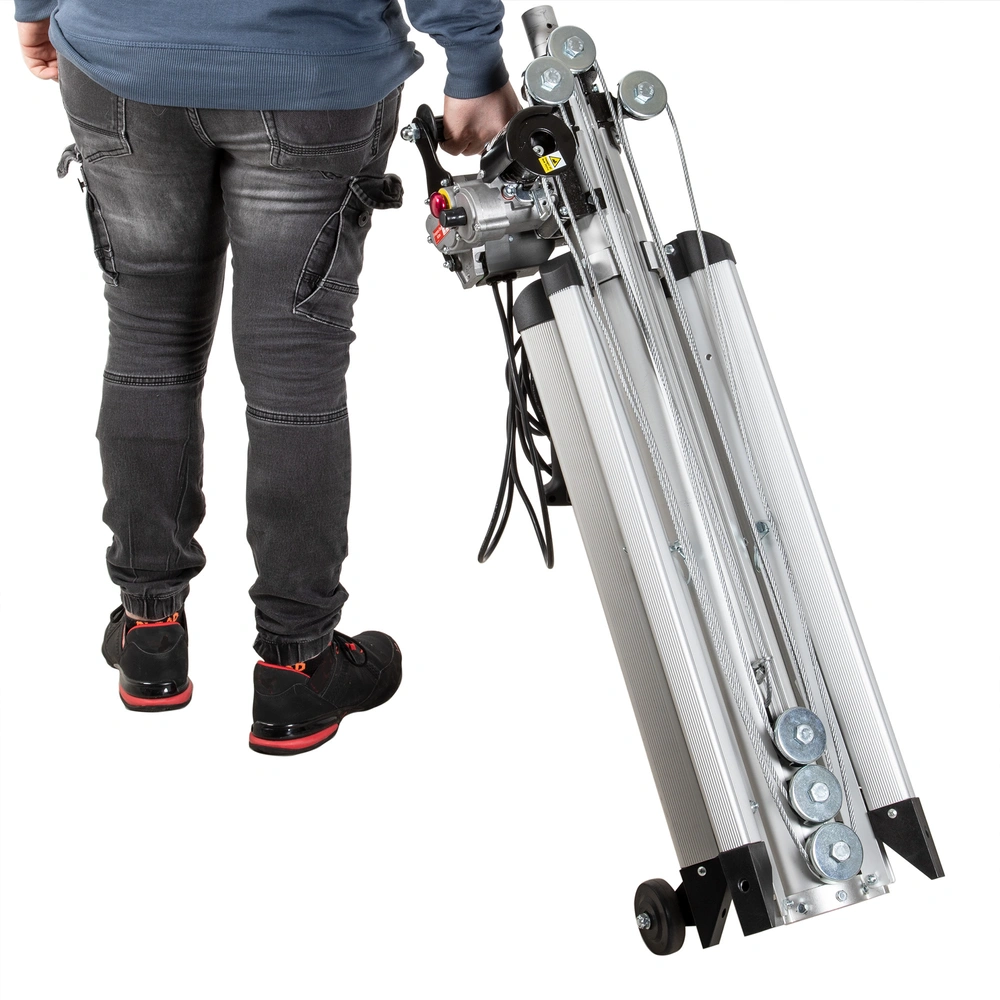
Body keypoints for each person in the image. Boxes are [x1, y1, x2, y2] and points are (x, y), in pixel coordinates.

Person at [14, 0, 521, 755]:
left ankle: (150, 630)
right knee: (294, 370)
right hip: (309, 64)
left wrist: (35, 8)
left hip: (122, 56)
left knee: (148, 340)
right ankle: (296, 665)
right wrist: (472, 56)